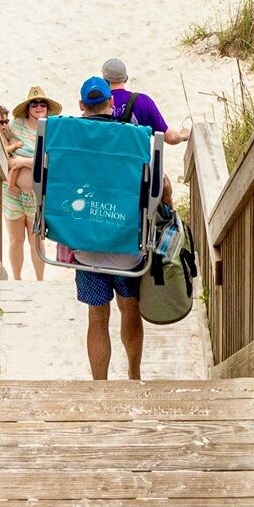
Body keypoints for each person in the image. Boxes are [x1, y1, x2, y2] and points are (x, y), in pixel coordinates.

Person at [67, 77, 160, 379]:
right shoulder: (132, 138)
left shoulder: (68, 139)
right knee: (129, 310)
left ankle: (100, 385)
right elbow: (156, 186)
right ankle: (133, 374)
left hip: (86, 246)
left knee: (97, 317)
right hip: (125, 244)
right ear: (111, 104)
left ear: (82, 106)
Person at [0, 91, 54, 280]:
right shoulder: (15, 125)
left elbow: (53, 161)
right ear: (28, 108)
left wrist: (24, 162)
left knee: (36, 241)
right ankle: (17, 279)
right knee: (15, 240)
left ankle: (40, 281)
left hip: (36, 195)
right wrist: (13, 162)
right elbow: (2, 149)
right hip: (12, 193)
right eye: (34, 104)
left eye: (42, 103)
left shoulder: (53, 128)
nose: (38, 107)